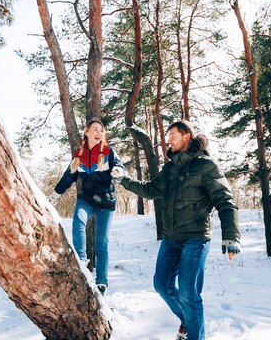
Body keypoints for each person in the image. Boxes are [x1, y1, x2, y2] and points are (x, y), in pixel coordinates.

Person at [111, 120, 241, 340]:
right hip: (171, 238)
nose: (168, 139)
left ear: (187, 136)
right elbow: (151, 190)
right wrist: (124, 179)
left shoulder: (205, 166)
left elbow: (225, 201)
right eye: (168, 135)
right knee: (161, 285)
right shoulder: (170, 168)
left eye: (173, 135)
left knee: (189, 292)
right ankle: (187, 320)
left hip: (196, 237)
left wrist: (231, 237)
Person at [48, 119, 124, 295]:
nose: (99, 132)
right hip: (87, 199)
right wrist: (55, 195)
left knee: (101, 243)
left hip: (105, 202)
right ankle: (81, 259)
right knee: (78, 220)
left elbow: (119, 166)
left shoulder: (108, 152)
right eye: (95, 129)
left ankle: (102, 281)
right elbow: (69, 177)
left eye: (101, 130)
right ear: (87, 132)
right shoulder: (79, 155)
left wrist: (118, 171)